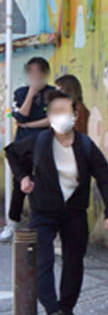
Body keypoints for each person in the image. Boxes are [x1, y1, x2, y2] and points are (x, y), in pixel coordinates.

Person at [20, 89, 108, 315]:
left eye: (65, 111)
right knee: (42, 260)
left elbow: (105, 178)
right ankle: (51, 310)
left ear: (75, 114)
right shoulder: (39, 141)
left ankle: (66, 309)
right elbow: (13, 153)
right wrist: (23, 178)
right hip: (43, 211)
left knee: (74, 261)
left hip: (74, 212)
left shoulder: (85, 145)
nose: (60, 116)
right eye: (55, 111)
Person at [1, 57, 56, 242]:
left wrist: (29, 125)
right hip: (22, 146)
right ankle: (12, 223)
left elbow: (52, 119)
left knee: (43, 185)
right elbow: (20, 116)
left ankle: (43, 226)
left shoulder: (52, 93)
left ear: (45, 73)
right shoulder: (20, 92)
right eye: (31, 71)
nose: (34, 75)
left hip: (44, 144)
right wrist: (31, 93)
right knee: (19, 184)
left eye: (38, 71)